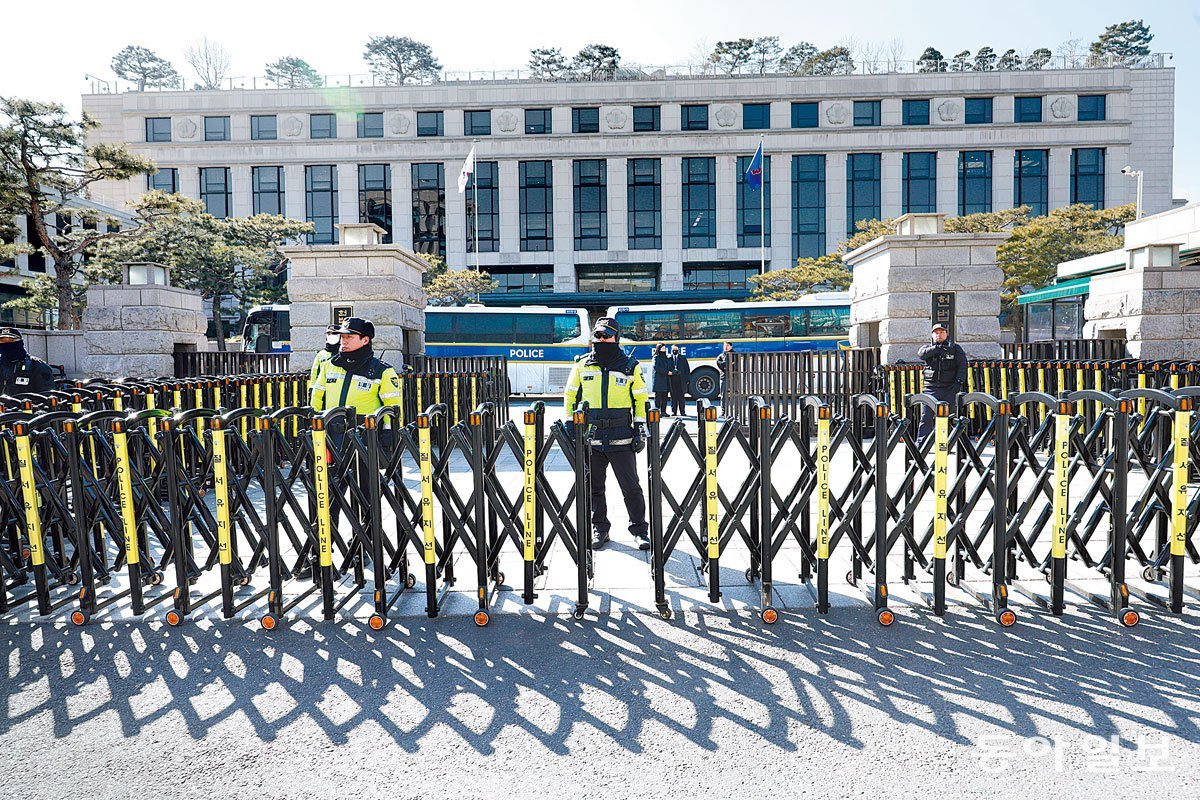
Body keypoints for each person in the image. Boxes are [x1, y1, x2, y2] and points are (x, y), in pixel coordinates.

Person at [564, 317, 651, 551]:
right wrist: (571, 423)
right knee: (594, 488)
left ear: (616, 338)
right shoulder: (582, 364)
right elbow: (571, 396)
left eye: (606, 336)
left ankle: (640, 530)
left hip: (622, 435)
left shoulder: (630, 365)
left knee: (631, 487)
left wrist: (641, 428)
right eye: (598, 336)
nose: (601, 340)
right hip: (591, 437)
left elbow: (641, 398)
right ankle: (600, 529)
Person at [916, 323, 967, 441]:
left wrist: (958, 382)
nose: (939, 335)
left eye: (941, 332)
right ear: (932, 335)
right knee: (926, 417)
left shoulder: (955, 348)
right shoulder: (927, 348)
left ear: (946, 333)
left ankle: (946, 442)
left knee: (948, 417)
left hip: (948, 388)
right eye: (936, 333)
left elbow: (962, 365)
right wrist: (936, 349)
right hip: (931, 389)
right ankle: (922, 443)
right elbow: (921, 355)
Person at [0, 327, 55, 397]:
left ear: (20, 343)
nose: (6, 345)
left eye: (11, 341)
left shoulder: (38, 366)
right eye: (2, 341)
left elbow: (48, 397)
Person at [308, 326, 339, 393]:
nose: (331, 336)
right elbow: (314, 373)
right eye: (329, 334)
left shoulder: (344, 353)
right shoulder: (321, 354)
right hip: (323, 390)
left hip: (338, 389)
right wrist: (312, 387)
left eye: (334, 333)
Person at [669, 344, 690, 417]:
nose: (675, 350)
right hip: (672, 380)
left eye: (676, 349)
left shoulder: (682, 358)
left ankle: (682, 412)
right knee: (673, 397)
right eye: (673, 349)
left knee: (681, 397)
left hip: (681, 380)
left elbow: (687, 369)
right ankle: (673, 412)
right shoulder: (669, 358)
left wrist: (687, 379)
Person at [651, 344, 671, 415]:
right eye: (662, 348)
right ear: (658, 349)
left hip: (665, 380)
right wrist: (666, 372)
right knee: (658, 397)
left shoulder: (666, 357)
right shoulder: (656, 357)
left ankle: (663, 411)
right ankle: (657, 411)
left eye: (664, 348)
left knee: (665, 397)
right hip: (659, 380)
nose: (664, 349)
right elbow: (656, 367)